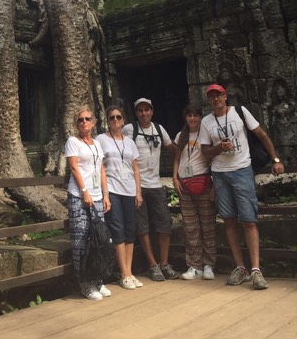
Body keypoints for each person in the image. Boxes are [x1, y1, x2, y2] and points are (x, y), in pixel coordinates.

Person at [200, 83, 285, 290]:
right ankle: (240, 267)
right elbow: (205, 152)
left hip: (242, 170)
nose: (216, 100)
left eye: (218, 95)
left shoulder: (240, 112)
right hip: (220, 174)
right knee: (228, 220)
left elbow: (261, 135)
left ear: (225, 96)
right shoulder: (206, 122)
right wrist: (219, 147)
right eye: (211, 97)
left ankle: (256, 269)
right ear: (209, 100)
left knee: (248, 220)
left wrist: (275, 159)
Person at [122, 98, 180, 281]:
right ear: (136, 113)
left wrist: (183, 167)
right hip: (137, 185)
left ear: (152, 111)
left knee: (164, 223)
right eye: (140, 110)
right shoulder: (129, 130)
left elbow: (173, 149)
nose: (144, 113)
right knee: (143, 226)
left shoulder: (158, 129)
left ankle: (164, 263)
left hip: (155, 184)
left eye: (147, 110)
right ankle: (152, 264)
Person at [65, 105, 112, 300]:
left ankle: (97, 279)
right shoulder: (73, 142)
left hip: (97, 197)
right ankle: (84, 283)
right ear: (76, 124)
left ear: (93, 122)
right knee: (81, 240)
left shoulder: (96, 144)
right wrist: (84, 192)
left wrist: (106, 194)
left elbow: (101, 169)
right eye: (80, 120)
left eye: (87, 119)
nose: (83, 122)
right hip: (79, 195)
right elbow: (74, 168)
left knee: (98, 239)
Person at [96, 105, 144, 289]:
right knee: (118, 230)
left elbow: (135, 169)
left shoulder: (129, 142)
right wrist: (105, 193)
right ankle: (123, 273)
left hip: (129, 190)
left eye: (118, 117)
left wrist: (138, 192)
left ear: (124, 120)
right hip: (113, 190)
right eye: (111, 118)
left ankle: (130, 272)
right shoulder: (101, 139)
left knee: (130, 231)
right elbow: (99, 166)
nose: (115, 120)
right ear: (107, 121)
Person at [173, 105, 216, 280]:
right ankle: (194, 265)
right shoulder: (180, 136)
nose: (192, 119)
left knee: (207, 225)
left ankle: (208, 264)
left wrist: (214, 185)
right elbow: (177, 158)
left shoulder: (206, 135)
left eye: (195, 115)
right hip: (184, 184)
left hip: (203, 181)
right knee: (190, 227)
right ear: (185, 118)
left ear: (200, 117)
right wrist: (174, 177)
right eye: (189, 115)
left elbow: (214, 160)